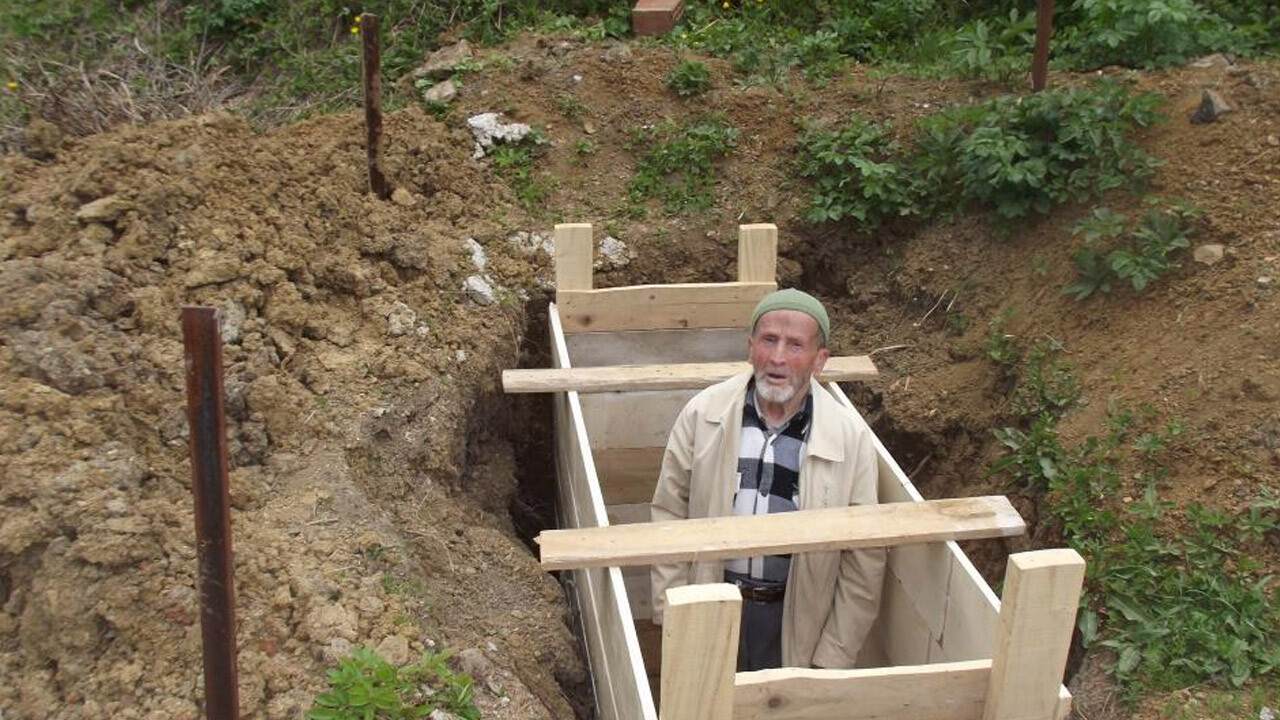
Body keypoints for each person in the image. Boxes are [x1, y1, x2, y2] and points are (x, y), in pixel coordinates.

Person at [649, 288, 886, 671]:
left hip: (794, 620)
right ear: (750, 347)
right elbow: (668, 513)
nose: (777, 357)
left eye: (795, 345)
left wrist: (833, 655)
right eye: (769, 340)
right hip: (711, 604)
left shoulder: (848, 437)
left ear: (819, 360)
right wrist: (672, 611)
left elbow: (864, 561)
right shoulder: (703, 414)